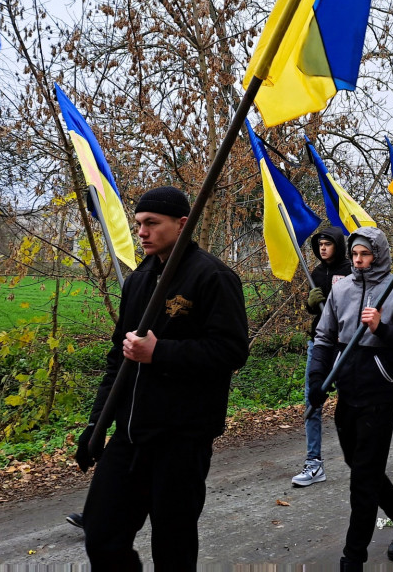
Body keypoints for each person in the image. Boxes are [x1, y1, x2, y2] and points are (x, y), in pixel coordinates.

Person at [76, 187, 249, 570]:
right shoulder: (138, 280)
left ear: (182, 224)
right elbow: (116, 359)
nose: (142, 231)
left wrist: (161, 353)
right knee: (102, 535)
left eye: (152, 223)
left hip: (181, 439)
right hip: (130, 435)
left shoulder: (214, 277)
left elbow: (231, 351)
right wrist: (96, 422)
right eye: (138, 224)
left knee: (173, 547)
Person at [308, 227, 393, 569]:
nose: (359, 261)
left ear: (378, 255)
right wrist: (317, 379)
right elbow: (324, 336)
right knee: (360, 465)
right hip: (347, 389)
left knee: (363, 478)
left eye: (366, 255)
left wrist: (382, 328)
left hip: (380, 391)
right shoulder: (341, 288)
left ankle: (353, 557)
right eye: (356, 255)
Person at [293, 227, 350, 487]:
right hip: (318, 343)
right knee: (312, 400)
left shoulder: (351, 271)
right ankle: (314, 462)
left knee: (349, 401)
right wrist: (309, 303)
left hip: (345, 345)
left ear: (338, 245)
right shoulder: (315, 272)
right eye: (320, 244)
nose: (323, 248)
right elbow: (316, 314)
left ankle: (359, 457)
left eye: (328, 244)